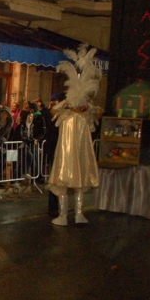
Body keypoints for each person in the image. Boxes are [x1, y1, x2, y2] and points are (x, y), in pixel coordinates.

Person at [47, 46, 102, 226]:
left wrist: (68, 104)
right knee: (78, 184)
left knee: (64, 184)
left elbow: (53, 110)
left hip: (69, 156)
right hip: (78, 156)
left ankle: (65, 215)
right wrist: (85, 104)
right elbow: (98, 112)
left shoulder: (69, 115)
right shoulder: (83, 116)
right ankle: (76, 214)